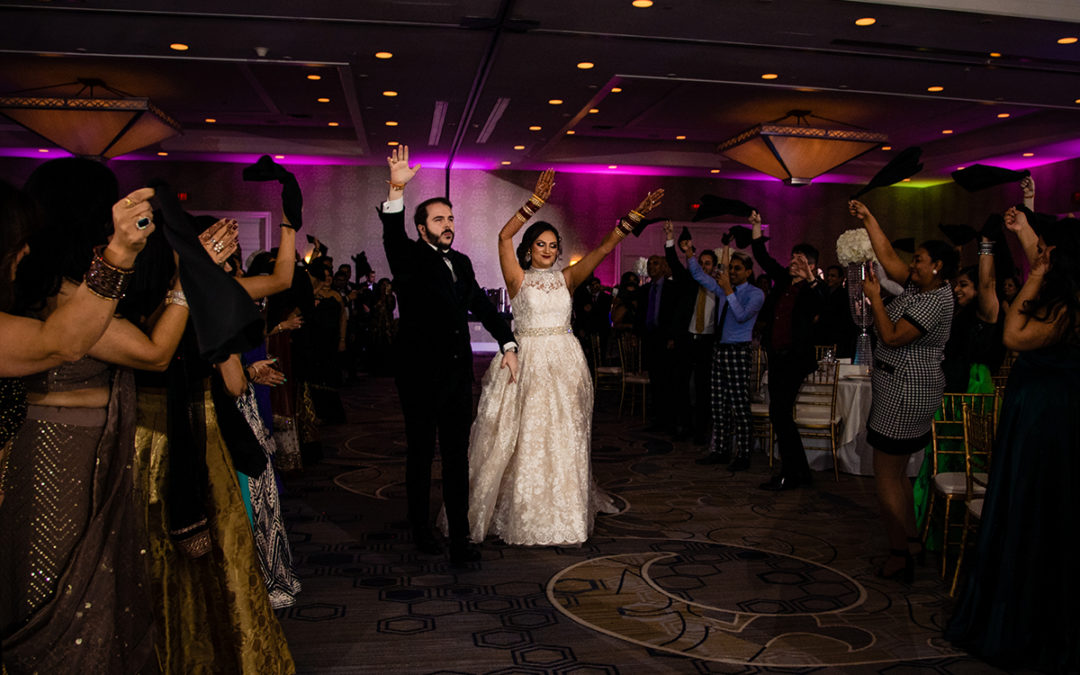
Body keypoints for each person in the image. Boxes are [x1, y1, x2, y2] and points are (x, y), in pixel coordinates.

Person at [0, 159, 184, 674]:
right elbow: (151, 354)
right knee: (62, 587)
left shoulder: (50, 290)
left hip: (76, 450)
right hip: (58, 459)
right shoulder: (59, 297)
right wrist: (172, 274)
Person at [467, 168, 662, 545]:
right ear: (528, 249)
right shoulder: (517, 278)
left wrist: (633, 218)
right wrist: (534, 204)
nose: (548, 250)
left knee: (564, 436)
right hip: (527, 363)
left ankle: (564, 510)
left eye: (553, 245)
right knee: (525, 437)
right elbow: (502, 235)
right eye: (541, 244)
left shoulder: (567, 278)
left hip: (566, 362)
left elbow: (604, 249)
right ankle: (523, 510)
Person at [945, 208, 1079, 673]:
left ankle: (1027, 620)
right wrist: (1026, 240)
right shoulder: (1064, 296)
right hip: (1036, 416)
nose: (1039, 254)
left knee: (1035, 510)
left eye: (1046, 250)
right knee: (1025, 508)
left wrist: (1035, 274)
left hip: (1048, 422)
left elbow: (1013, 334)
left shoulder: (1069, 306)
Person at [379, 145, 517, 565]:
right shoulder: (409, 258)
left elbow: (483, 306)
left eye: (451, 218)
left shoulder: (462, 261)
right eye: (439, 219)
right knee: (421, 453)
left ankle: (460, 538)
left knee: (457, 458)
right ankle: (420, 530)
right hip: (419, 375)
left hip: (458, 376)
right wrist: (397, 189)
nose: (448, 225)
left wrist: (508, 343)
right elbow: (391, 234)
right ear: (421, 228)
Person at [848, 199, 957, 582]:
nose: (912, 266)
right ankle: (909, 541)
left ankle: (899, 555)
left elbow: (893, 337)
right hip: (903, 387)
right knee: (896, 475)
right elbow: (889, 255)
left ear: (937, 267)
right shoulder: (921, 287)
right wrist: (868, 218)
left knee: (887, 474)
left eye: (920, 260)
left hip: (906, 392)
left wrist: (876, 299)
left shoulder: (935, 302)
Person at [748, 211, 825, 489]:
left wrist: (812, 279)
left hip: (796, 359)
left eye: (800, 260)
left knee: (780, 413)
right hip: (777, 357)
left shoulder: (812, 289)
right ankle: (799, 472)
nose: (793, 263)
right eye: (792, 258)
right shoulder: (782, 280)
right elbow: (762, 257)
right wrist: (756, 227)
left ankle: (792, 473)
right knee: (779, 414)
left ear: (812, 265)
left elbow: (822, 306)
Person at [689, 240, 765, 470]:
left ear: (749, 272)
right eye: (731, 268)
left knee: (739, 405)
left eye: (737, 269)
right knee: (718, 404)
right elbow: (699, 276)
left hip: (739, 350)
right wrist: (689, 253)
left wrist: (729, 291)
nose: (732, 272)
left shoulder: (756, 294)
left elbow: (741, 316)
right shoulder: (723, 288)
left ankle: (743, 454)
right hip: (720, 350)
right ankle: (719, 450)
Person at [664, 223, 719, 445]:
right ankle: (685, 426)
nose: (703, 267)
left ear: (714, 267)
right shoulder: (688, 280)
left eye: (707, 264)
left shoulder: (718, 286)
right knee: (683, 385)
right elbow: (673, 262)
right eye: (701, 262)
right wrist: (670, 237)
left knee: (704, 388)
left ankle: (701, 430)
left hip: (708, 342)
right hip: (687, 339)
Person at [816, 264, 858, 358]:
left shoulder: (843, 296)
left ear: (840, 279)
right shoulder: (826, 293)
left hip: (838, 339)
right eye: (828, 275)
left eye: (833, 276)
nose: (829, 278)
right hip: (827, 338)